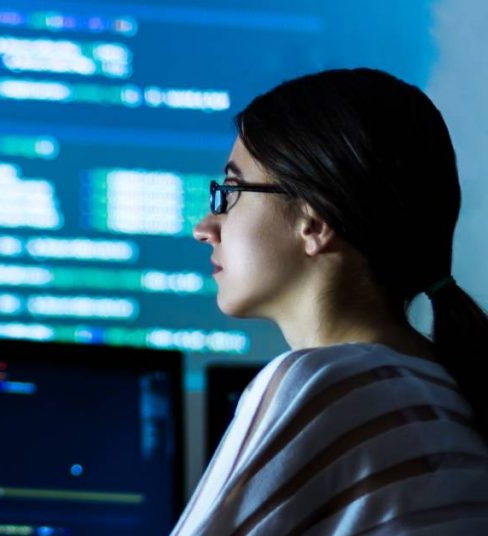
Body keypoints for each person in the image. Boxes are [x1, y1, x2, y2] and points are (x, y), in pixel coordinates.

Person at [177, 67, 488, 535]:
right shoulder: (449, 391)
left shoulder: (325, 383)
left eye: (231, 192)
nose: (204, 227)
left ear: (315, 222)